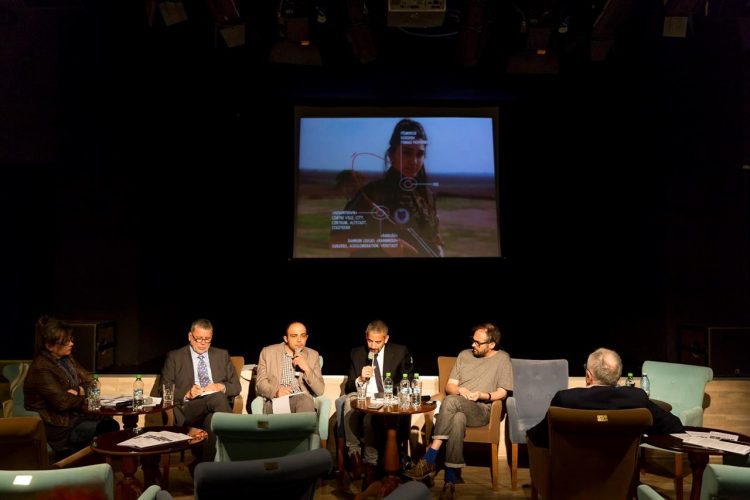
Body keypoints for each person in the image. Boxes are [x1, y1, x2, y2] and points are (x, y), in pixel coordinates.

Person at [404, 323, 513, 499]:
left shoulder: (502, 359)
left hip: (482, 409)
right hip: (459, 405)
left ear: (492, 344)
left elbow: (502, 392)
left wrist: (482, 395)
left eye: (478, 343)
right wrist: (460, 390)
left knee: (451, 401)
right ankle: (450, 481)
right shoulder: (464, 355)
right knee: (457, 418)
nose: (473, 345)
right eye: (473, 340)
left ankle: (430, 457)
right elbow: (450, 386)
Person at [526, 347, 684, 449]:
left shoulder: (565, 399)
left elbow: (539, 438)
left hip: (572, 478)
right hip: (621, 480)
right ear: (618, 376)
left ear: (588, 376)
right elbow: (674, 425)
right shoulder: (637, 398)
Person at [344, 118, 444, 257]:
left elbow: (435, 235)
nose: (414, 161)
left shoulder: (426, 195)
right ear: (391, 155)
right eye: (406, 152)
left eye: (420, 154)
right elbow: (339, 239)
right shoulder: (372, 193)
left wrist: (439, 248)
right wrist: (381, 242)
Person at [24, 315, 119, 457]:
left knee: (110, 422)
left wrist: (77, 391)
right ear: (49, 345)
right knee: (106, 427)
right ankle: (87, 465)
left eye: (71, 339)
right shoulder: (41, 368)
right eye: (66, 341)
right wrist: (81, 395)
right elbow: (62, 402)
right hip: (59, 425)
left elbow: (90, 381)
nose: (71, 343)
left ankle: (102, 465)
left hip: (76, 417)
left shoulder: (66, 359)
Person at [160, 318, 241, 464]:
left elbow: (236, 386)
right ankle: (236, 449)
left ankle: (207, 469)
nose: (203, 343)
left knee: (212, 420)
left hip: (216, 407)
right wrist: (187, 393)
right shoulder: (175, 357)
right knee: (218, 398)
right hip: (189, 408)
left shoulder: (222, 355)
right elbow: (163, 388)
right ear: (190, 336)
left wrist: (221, 386)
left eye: (207, 339)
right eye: (199, 338)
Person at [342, 320, 413, 486]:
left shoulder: (400, 351)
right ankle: (355, 456)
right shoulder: (357, 353)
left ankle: (370, 465)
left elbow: (408, 380)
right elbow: (348, 387)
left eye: (377, 342)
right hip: (363, 396)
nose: (373, 346)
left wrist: (388, 393)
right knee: (348, 401)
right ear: (366, 337)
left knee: (369, 417)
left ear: (386, 339)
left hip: (386, 398)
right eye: (370, 341)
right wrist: (360, 378)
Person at [255, 321, 325, 414]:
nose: (299, 340)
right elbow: (260, 384)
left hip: (302, 401)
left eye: (303, 336)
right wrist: (275, 392)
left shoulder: (313, 355)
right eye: (294, 336)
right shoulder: (268, 353)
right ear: (286, 338)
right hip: (275, 401)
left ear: (306, 337)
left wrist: (307, 368)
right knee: (305, 403)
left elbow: (320, 390)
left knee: (305, 401)